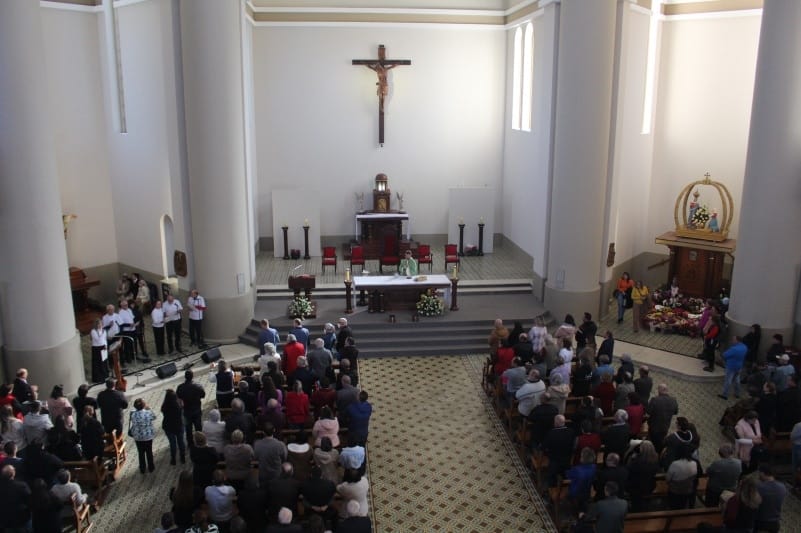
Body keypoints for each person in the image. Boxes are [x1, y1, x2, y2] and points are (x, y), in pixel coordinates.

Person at [625, 440, 659, 512]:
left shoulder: (636, 461)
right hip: (649, 485)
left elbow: (628, 468)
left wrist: (632, 456)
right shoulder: (655, 459)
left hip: (635, 487)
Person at [704, 443, 741, 507]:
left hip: (715, 490)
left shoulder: (717, 464)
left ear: (720, 453)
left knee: (710, 505)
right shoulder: (739, 463)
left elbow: (708, 472)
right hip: (731, 489)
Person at [176, 369, 206, 448]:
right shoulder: (198, 386)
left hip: (186, 411)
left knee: (188, 429)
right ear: (192, 376)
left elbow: (178, 398)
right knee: (198, 428)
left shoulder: (180, 387)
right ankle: (200, 442)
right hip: (196, 410)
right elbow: (203, 395)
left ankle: (190, 444)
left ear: (185, 377)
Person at [754, 464, 787, 532]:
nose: (758, 476)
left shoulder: (759, 487)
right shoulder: (782, 487)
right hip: (775, 523)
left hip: (760, 522)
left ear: (762, 473)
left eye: (759, 473)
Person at [647, 383, 678, 453]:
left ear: (659, 390)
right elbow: (675, 412)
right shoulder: (673, 400)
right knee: (660, 442)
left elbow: (648, 412)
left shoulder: (655, 400)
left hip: (654, 427)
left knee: (652, 443)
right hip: (665, 427)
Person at [665, 445, 698, 509]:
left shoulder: (675, 464)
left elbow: (667, 479)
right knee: (683, 504)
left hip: (674, 491)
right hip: (687, 491)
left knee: (673, 506)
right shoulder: (694, 463)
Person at [130, 397, 157, 474]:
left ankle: (142, 468)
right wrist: (149, 408)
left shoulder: (133, 414)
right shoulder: (148, 413)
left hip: (138, 437)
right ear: (144, 405)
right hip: (148, 436)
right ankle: (151, 467)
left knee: (140, 453)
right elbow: (154, 417)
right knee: (149, 452)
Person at [565, 447, 597, 512]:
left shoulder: (577, 469)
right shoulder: (594, 467)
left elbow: (567, 475)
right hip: (587, 491)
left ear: (582, 458)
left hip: (576, 492)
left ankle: (576, 510)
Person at [161, 389, 186, 465]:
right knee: (181, 442)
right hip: (179, 426)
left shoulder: (165, 406)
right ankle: (182, 458)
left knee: (172, 443)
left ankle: (173, 459)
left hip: (168, 427)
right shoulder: (179, 404)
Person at [90, 318, 109, 383]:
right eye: (98, 324)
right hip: (96, 348)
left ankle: (105, 376)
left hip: (103, 347)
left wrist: (106, 345)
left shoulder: (104, 330)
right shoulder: (93, 331)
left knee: (103, 362)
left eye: (101, 324)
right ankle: (98, 378)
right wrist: (102, 333)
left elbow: (105, 339)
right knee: (97, 363)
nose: (100, 325)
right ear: (96, 325)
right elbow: (97, 339)